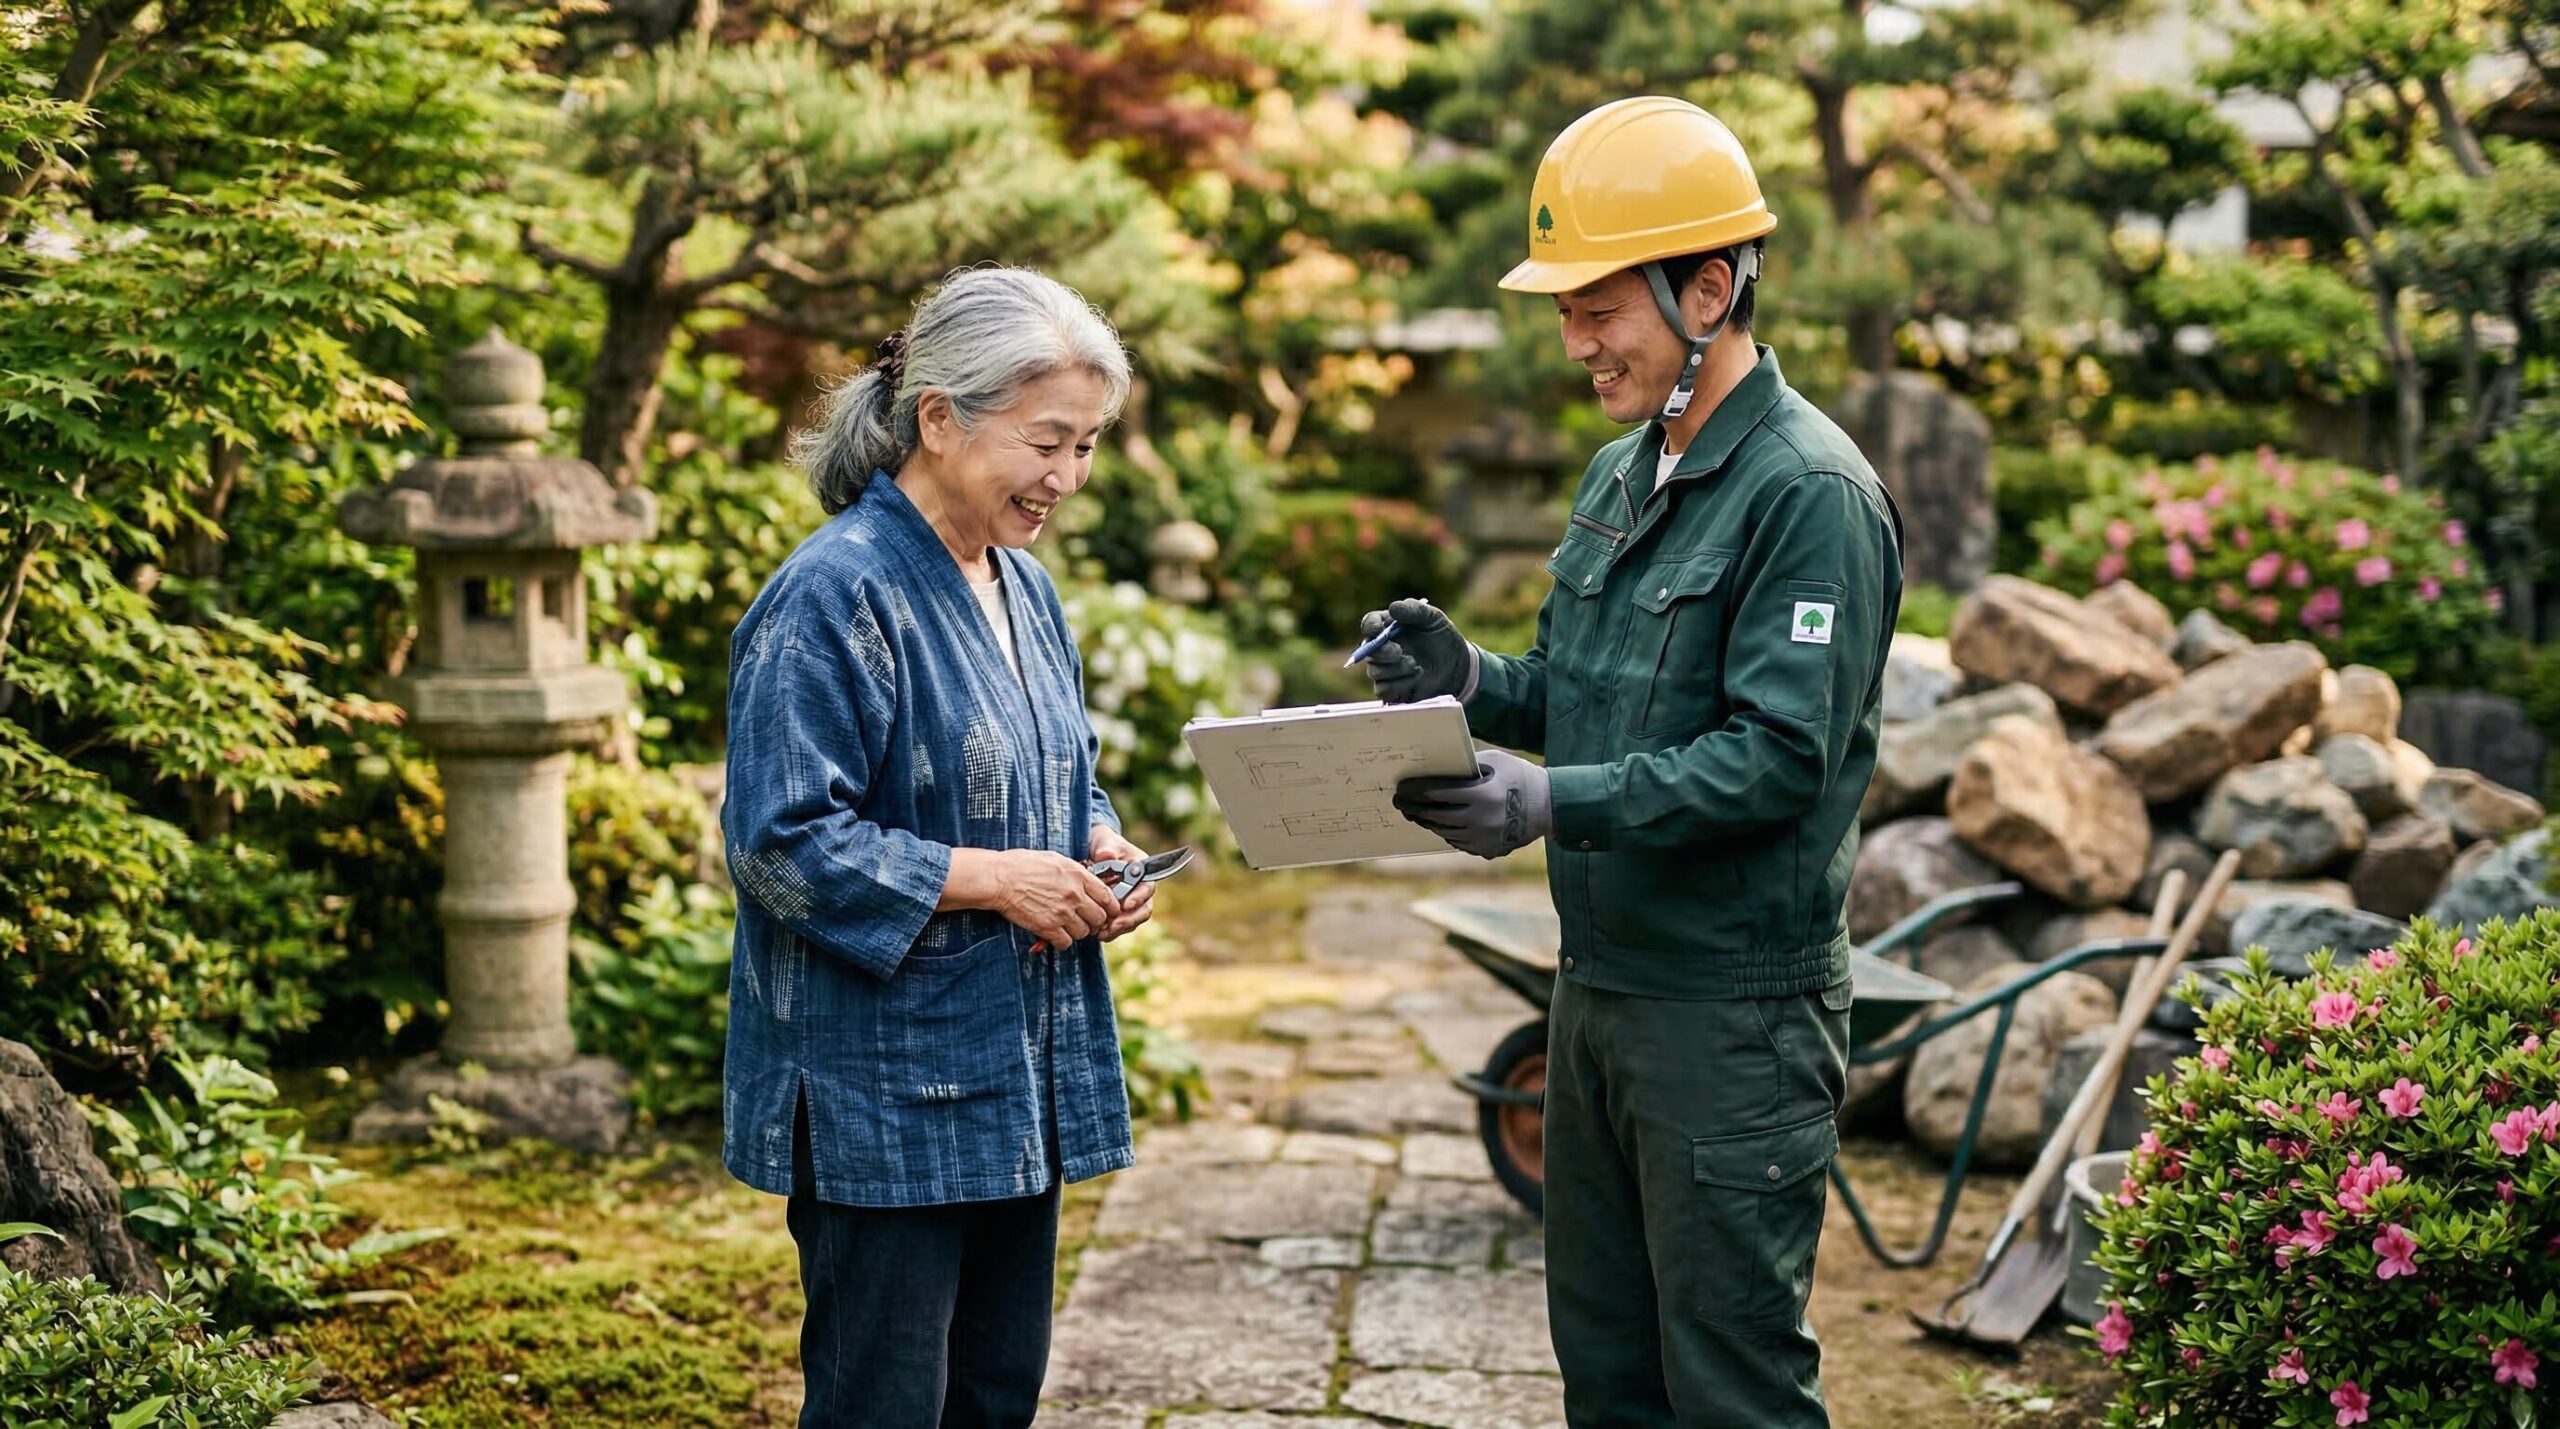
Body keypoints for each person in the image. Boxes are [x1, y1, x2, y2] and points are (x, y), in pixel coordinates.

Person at [1357, 97, 1904, 1427]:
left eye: (1600, 308)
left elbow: (1774, 761)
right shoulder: (1620, 473)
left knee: (1729, 1385)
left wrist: (1547, 803)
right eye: (1565, 313)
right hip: (1596, 995)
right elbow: (1595, 701)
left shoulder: (1809, 494)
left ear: (1707, 288)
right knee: (1608, 1373)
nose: (1577, 343)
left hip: (1731, 1015)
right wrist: (1476, 683)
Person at [719, 266, 1160, 1429]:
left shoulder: (1024, 587)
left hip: (1015, 1068)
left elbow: (1057, 773)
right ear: (937, 418)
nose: (1065, 477)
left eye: (1087, 444)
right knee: (884, 1405)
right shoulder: (830, 593)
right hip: (882, 1084)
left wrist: (1098, 847)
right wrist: (995, 882)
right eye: (1044, 441)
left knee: (996, 1393)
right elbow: (776, 841)